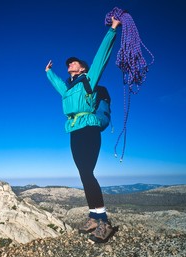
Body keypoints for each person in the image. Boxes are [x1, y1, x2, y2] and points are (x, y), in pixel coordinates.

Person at [45, 17, 121, 243]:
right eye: (68, 63)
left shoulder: (89, 79)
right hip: (74, 130)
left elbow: (101, 57)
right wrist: (49, 72)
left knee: (87, 173)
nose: (69, 64)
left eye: (73, 62)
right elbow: (60, 86)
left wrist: (112, 29)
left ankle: (104, 222)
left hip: (88, 128)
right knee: (83, 174)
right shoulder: (69, 90)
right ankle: (93, 216)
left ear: (83, 68)